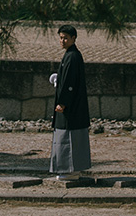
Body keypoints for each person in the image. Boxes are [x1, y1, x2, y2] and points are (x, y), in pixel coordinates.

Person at [49, 25, 91, 180]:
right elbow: (66, 79)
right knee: (67, 137)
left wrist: (63, 102)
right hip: (72, 105)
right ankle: (70, 169)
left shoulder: (73, 56)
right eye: (61, 37)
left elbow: (70, 83)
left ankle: (71, 170)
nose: (62, 41)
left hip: (71, 106)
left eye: (66, 38)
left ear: (74, 38)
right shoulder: (70, 55)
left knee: (69, 137)